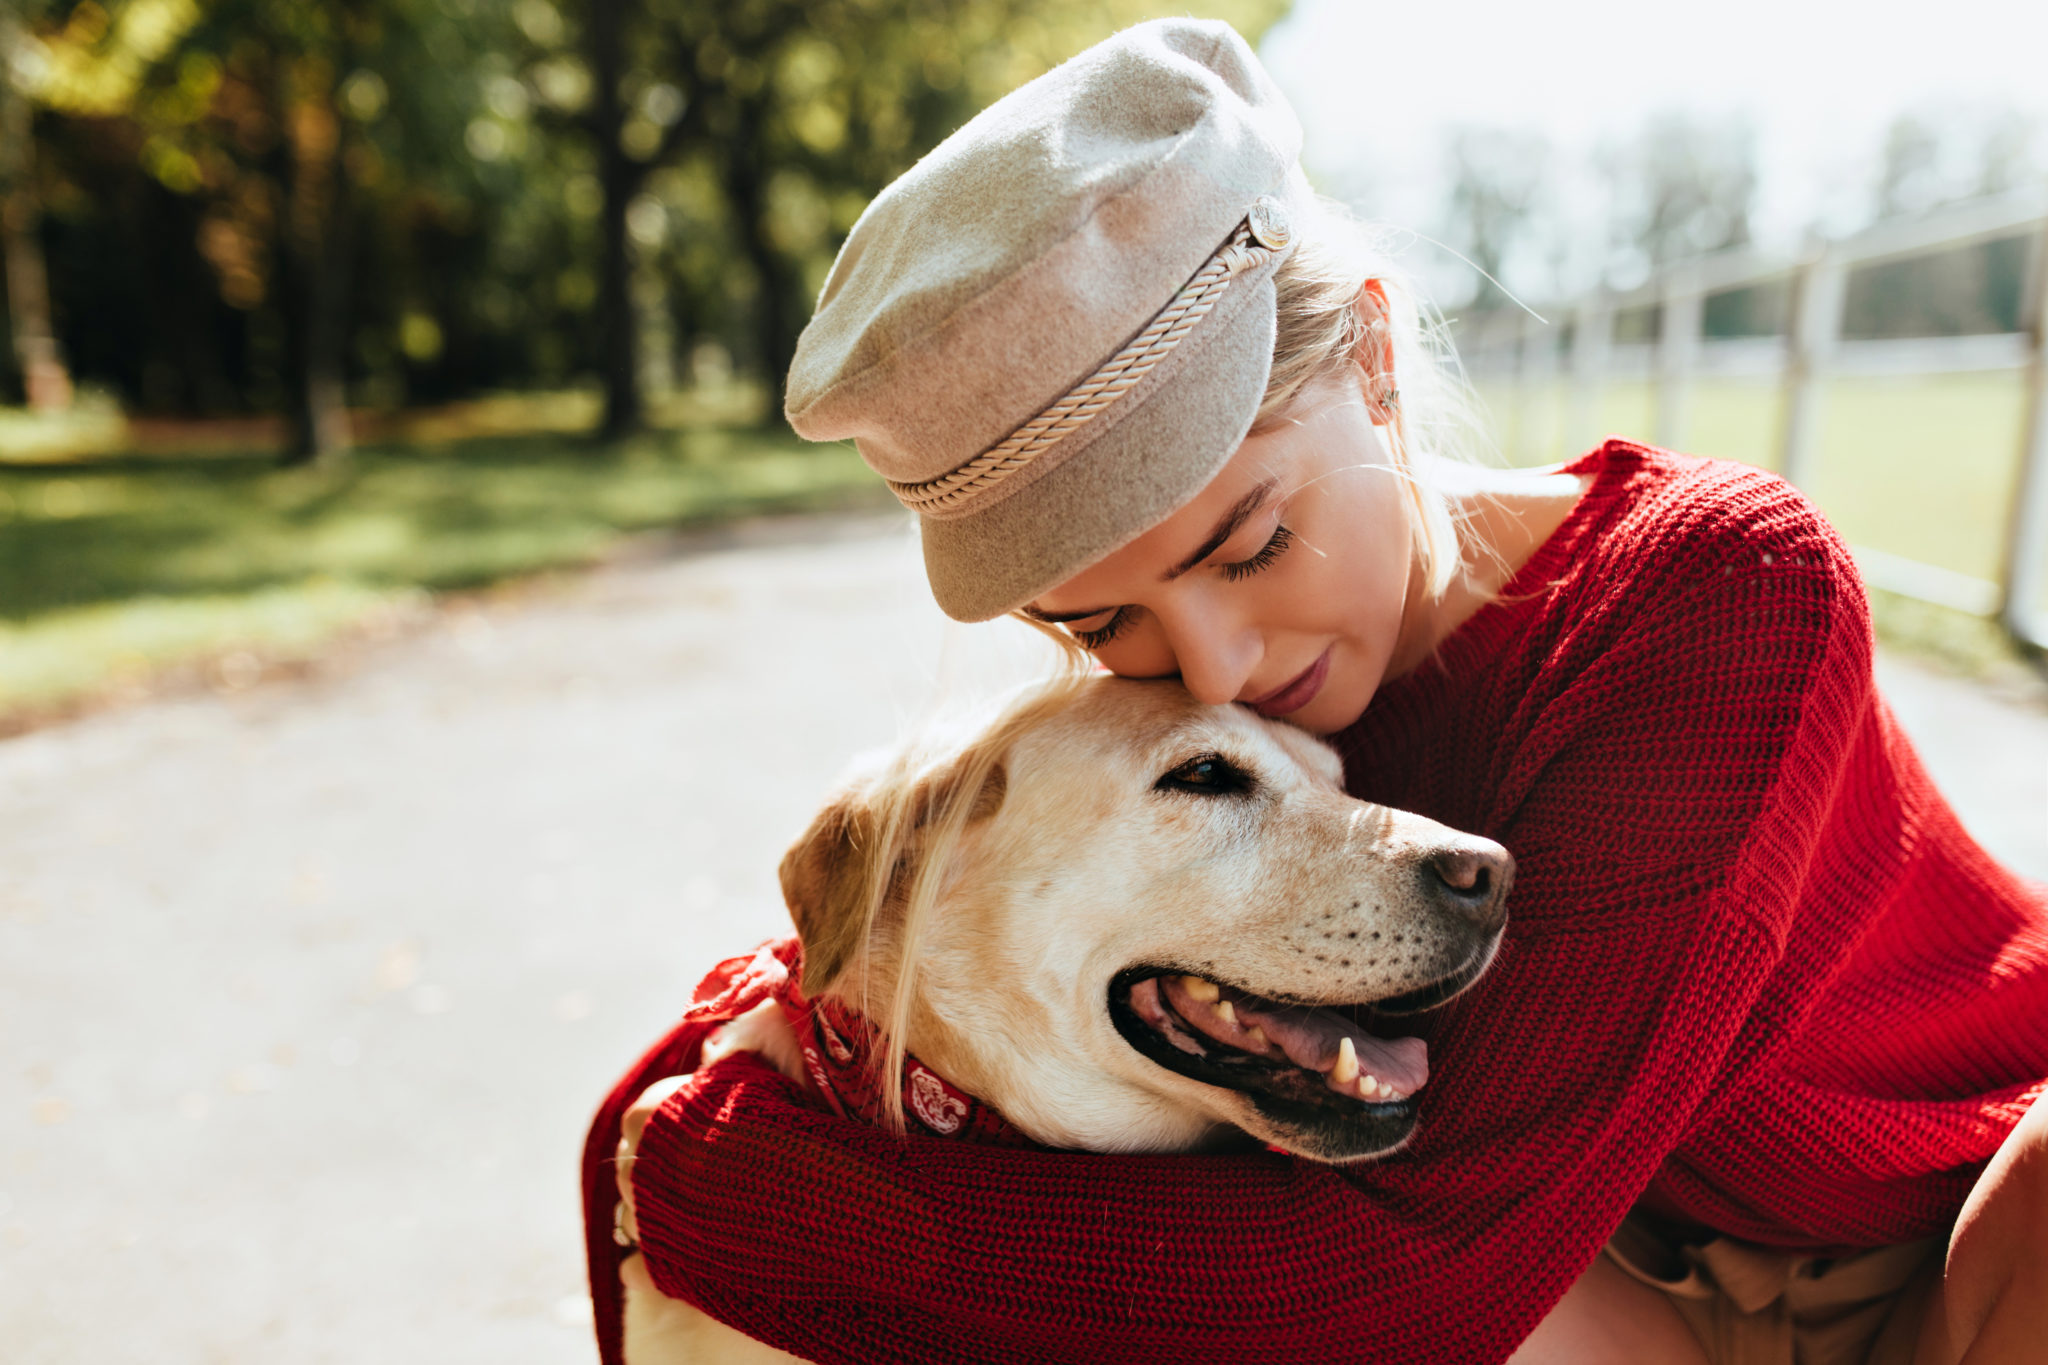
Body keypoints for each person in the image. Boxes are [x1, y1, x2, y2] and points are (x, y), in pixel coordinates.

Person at [581, 19, 2048, 1365]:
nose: (1216, 667)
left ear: (1378, 354)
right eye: (1103, 622)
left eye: (1252, 541)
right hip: (1588, 1261)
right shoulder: (1206, 721)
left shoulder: (1715, 595)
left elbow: (1408, 1285)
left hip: (1933, 1239)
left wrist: (771, 1212)